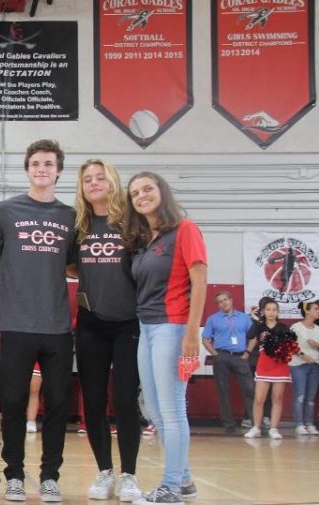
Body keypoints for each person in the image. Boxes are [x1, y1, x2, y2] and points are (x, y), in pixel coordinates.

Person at [0, 139, 76, 502]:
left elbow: (77, 266)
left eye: (49, 164)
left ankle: (50, 475)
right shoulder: (6, 211)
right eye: (36, 163)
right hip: (16, 326)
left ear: (58, 171)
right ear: (27, 169)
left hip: (58, 328)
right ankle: (14, 475)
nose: (42, 169)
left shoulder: (70, 217)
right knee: (14, 403)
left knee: (57, 403)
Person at [123, 171, 206, 505]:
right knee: (155, 410)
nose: (142, 195)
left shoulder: (185, 229)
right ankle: (183, 481)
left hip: (172, 328)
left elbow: (199, 281)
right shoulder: (146, 240)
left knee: (172, 411)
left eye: (147, 189)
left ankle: (170, 488)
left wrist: (191, 334)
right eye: (135, 193)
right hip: (147, 328)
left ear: (162, 192)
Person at [73, 159, 143, 501]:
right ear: (82, 188)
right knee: (95, 400)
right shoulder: (79, 227)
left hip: (129, 324)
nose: (94, 183)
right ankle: (105, 472)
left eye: (101, 177)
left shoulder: (132, 224)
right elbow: (71, 267)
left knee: (126, 400)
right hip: (90, 324)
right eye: (88, 179)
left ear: (113, 182)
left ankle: (129, 474)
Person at [201, 291, 254, 433]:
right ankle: (229, 424)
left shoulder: (244, 318)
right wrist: (215, 354)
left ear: (231, 300)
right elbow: (205, 339)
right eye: (219, 301)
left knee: (250, 389)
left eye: (225, 300)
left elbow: (253, 337)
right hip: (222, 356)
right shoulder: (213, 319)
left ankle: (256, 423)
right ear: (217, 305)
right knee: (223, 391)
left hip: (240, 357)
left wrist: (247, 352)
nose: (223, 303)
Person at [244, 300, 293, 440]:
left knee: (277, 398)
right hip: (264, 365)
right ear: (264, 311)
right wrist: (256, 321)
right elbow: (249, 335)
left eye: (274, 309)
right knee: (259, 399)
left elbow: (290, 346)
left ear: (277, 312)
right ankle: (256, 428)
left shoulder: (284, 328)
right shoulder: (259, 327)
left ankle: (274, 428)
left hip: (279, 365)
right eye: (268, 309)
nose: (271, 312)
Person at [289, 300, 319, 436]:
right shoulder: (296, 327)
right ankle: (299, 424)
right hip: (299, 366)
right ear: (307, 311)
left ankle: (309, 423)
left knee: (310, 397)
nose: (318, 311)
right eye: (316, 309)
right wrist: (303, 355)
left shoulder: (318, 329)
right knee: (300, 396)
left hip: (315, 366)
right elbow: (290, 344)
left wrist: (316, 345)